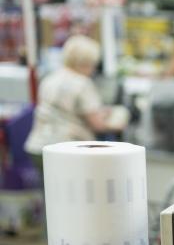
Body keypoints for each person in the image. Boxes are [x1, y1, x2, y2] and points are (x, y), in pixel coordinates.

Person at [25, 35, 127, 168]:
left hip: (38, 145)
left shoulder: (49, 79)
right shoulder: (82, 83)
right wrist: (119, 123)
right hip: (68, 149)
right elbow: (97, 125)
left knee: (50, 187)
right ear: (87, 62)